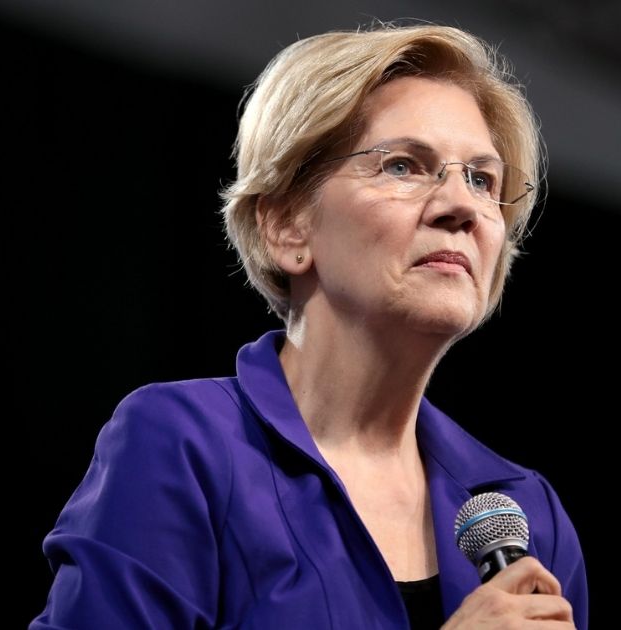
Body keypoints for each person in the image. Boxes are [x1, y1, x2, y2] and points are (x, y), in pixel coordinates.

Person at [30, 23, 587, 629]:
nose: (463, 208)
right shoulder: (182, 447)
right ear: (287, 227)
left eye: (483, 179)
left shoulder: (527, 513)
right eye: (403, 165)